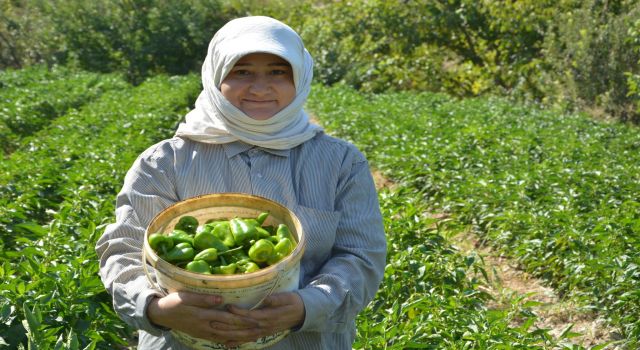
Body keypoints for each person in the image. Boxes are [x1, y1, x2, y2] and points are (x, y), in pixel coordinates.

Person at [95, 16, 386, 349]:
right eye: (241, 71)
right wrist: (156, 308)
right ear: (217, 74)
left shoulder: (341, 163)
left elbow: (361, 256)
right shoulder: (163, 162)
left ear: (300, 77)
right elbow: (124, 250)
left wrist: (309, 305)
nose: (260, 88)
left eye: (278, 71)